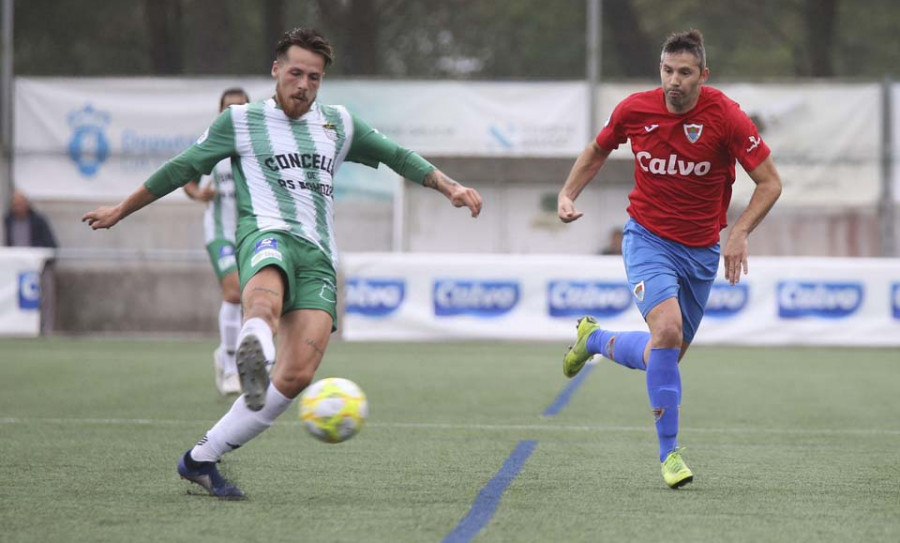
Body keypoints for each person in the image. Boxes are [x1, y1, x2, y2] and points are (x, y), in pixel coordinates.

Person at [83, 27, 483, 498]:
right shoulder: (240, 120)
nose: (303, 86)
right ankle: (252, 353)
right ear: (276, 70)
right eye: (295, 73)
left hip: (318, 254)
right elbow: (182, 168)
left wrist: (450, 186)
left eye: (314, 78)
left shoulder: (339, 124)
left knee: (295, 377)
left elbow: (397, 155)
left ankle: (201, 458)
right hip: (265, 234)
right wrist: (119, 211)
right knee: (262, 304)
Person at [557, 29, 781, 489]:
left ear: (703, 75)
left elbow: (770, 183)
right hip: (647, 239)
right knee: (666, 331)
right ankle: (670, 454)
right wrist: (567, 192)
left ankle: (594, 339)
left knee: (665, 353)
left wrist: (738, 232)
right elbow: (598, 149)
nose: (674, 81)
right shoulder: (634, 110)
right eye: (667, 70)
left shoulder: (727, 116)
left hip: (701, 251)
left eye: (684, 72)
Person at [182, 88, 251, 396]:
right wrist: (200, 195)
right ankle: (232, 367)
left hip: (252, 234)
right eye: (228, 108)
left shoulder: (260, 147)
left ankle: (226, 351)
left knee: (254, 300)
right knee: (234, 293)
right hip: (220, 233)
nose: (234, 114)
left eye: (240, 108)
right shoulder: (212, 147)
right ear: (219, 112)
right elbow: (188, 180)